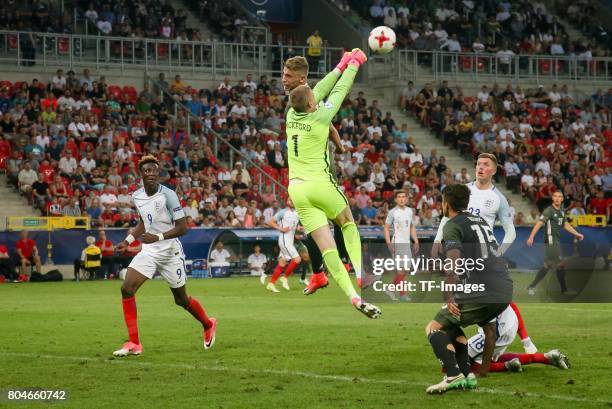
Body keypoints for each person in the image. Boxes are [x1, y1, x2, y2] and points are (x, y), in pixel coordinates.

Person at [285, 49, 380, 318]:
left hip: (297, 190)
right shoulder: (320, 116)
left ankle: (352, 297)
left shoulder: (291, 115)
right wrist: (354, 64)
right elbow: (337, 92)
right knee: (347, 222)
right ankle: (361, 274)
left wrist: (340, 63)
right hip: (320, 184)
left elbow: (319, 89)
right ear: (312, 103)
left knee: (326, 246)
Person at [112, 155, 217, 357]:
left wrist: (158, 236)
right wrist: (128, 241)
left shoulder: (168, 195)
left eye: (154, 170)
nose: (150, 173)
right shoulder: (137, 196)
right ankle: (134, 342)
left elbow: (183, 228)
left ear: (158, 173)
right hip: (150, 251)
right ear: (141, 173)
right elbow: (144, 222)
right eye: (146, 170)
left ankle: (208, 323)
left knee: (181, 299)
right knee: (127, 288)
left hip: (170, 252)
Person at [425, 184, 512, 394]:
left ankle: (453, 375)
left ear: (446, 203)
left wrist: (449, 296)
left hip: (486, 289)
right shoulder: (479, 220)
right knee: (452, 325)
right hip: (504, 287)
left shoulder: (452, 224)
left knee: (433, 328)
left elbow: (453, 261)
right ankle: (467, 375)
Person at [281, 54, 355, 295]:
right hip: (305, 172)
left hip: (319, 170)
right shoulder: (298, 101)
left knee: (335, 221)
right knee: (316, 225)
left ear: (302, 79)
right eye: (283, 74)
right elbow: (329, 123)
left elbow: (329, 123)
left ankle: (343, 265)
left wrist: (339, 145)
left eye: (288, 75)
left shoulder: (310, 100)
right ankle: (321, 272)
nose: (283, 79)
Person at [467, 304, 570, 373]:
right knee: (488, 357)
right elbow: (512, 306)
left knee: (466, 361)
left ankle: (508, 366)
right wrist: (525, 338)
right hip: (506, 323)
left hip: (499, 328)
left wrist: (525, 338)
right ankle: (547, 357)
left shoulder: (479, 281)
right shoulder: (489, 280)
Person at [526, 191, 584, 295]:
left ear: (562, 199)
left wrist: (576, 233)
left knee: (549, 265)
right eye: (555, 196)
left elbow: (565, 224)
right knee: (560, 264)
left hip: (555, 241)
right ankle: (564, 290)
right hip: (550, 240)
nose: (557, 198)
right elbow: (539, 223)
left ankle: (531, 286)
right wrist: (531, 236)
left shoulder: (561, 211)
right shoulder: (549, 211)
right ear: (552, 198)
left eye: (559, 197)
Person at [383, 190, 419, 301]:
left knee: (406, 269)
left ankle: (391, 289)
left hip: (406, 243)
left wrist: (416, 241)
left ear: (406, 199)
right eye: (399, 197)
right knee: (401, 270)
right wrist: (388, 242)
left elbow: (412, 226)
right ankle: (402, 295)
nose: (402, 199)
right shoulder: (392, 212)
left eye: (404, 196)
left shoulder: (409, 211)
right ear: (395, 199)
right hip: (397, 243)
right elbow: (386, 228)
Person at [266, 199, 301, 292]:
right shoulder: (283, 212)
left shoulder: (297, 213)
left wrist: (300, 228)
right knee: (297, 259)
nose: (292, 202)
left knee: (282, 263)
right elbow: (270, 222)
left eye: (294, 200)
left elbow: (293, 226)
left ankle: (271, 284)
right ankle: (284, 278)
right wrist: (281, 228)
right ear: (287, 202)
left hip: (290, 240)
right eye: (290, 200)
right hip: (284, 240)